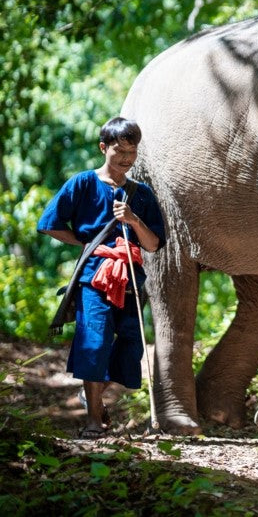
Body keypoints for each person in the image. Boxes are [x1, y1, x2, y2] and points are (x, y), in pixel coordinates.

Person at [38, 117, 166, 438]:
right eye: (118, 150)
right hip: (94, 278)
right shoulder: (82, 183)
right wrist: (85, 244)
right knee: (94, 345)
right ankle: (93, 421)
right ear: (103, 148)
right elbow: (48, 223)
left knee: (130, 348)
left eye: (132, 151)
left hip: (131, 280)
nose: (125, 158)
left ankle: (91, 393)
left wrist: (133, 220)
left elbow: (153, 244)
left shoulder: (142, 194)